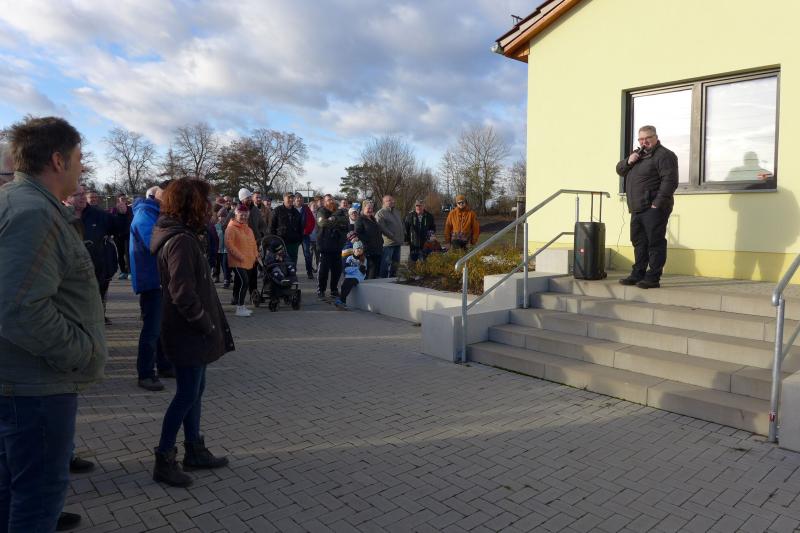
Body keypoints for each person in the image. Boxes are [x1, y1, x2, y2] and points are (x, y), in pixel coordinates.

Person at [0, 116, 106, 531]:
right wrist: (80, 352)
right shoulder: (33, 214)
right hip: (36, 386)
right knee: (37, 498)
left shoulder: (19, 203)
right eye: (79, 158)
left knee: (14, 491)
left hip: (22, 382)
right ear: (58, 161)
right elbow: (18, 308)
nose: (83, 167)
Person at [150, 178, 234, 487]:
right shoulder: (180, 241)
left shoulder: (181, 235)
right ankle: (164, 458)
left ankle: (194, 449)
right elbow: (182, 292)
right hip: (187, 331)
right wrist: (205, 323)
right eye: (205, 201)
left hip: (191, 331)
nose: (209, 207)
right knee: (186, 394)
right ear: (192, 204)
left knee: (195, 391)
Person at [615, 125, 678, 289]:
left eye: (647, 138)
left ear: (655, 137)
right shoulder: (639, 155)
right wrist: (628, 161)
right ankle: (638, 274)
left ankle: (653, 278)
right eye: (641, 139)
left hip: (654, 208)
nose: (644, 142)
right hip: (637, 207)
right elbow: (620, 170)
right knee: (639, 242)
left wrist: (657, 203)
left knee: (654, 243)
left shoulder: (664, 155)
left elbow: (670, 181)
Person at [130, 182, 175, 392]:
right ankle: (146, 373)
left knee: (163, 326)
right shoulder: (145, 214)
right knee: (151, 329)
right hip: (151, 280)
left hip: (161, 279)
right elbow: (155, 244)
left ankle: (164, 365)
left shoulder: (156, 214)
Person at [65, 184, 127, 325]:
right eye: (77, 195)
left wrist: (122, 215)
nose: (82, 197)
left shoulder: (98, 215)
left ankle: (98, 321)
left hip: (98, 269)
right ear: (66, 198)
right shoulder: (57, 215)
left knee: (97, 302)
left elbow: (120, 229)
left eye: (83, 194)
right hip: (69, 272)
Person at [226, 204, 259, 317]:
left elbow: (253, 244)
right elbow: (230, 245)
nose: (244, 217)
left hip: (248, 261)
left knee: (245, 283)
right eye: (241, 215)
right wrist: (240, 256)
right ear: (236, 215)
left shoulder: (248, 229)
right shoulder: (231, 228)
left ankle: (242, 306)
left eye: (245, 215)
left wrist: (256, 256)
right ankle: (239, 308)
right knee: (244, 282)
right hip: (237, 261)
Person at [316, 194, 349, 298]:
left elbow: (346, 222)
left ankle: (334, 290)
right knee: (323, 271)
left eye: (332, 199)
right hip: (325, 246)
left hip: (337, 246)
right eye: (328, 200)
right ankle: (321, 290)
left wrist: (333, 218)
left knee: (337, 270)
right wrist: (338, 223)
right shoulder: (322, 211)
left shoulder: (340, 212)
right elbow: (323, 223)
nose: (331, 201)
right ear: (324, 202)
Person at [270, 192, 303, 264]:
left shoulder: (296, 212)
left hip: (294, 244)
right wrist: (275, 241)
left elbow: (300, 227)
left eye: (292, 198)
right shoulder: (277, 211)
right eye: (289, 197)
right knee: (281, 263)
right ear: (284, 199)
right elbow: (271, 227)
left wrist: (299, 240)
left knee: (293, 263)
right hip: (281, 243)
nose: (291, 199)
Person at [375, 195, 404, 278]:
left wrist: (403, 233)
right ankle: (383, 280)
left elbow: (401, 224)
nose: (392, 202)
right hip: (388, 243)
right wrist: (392, 235)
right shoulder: (380, 213)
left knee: (396, 263)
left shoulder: (396, 212)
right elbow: (382, 228)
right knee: (385, 263)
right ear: (384, 202)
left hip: (398, 242)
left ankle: (393, 279)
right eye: (389, 200)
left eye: (392, 200)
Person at [355, 200, 383, 279]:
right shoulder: (360, 219)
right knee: (370, 271)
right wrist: (368, 240)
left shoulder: (373, 219)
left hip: (377, 249)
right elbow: (357, 233)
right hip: (367, 250)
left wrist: (381, 241)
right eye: (368, 208)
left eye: (371, 208)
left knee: (376, 272)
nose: (370, 210)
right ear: (363, 208)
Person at [335, 240, 367, 310]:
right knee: (344, 285)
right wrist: (356, 268)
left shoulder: (364, 259)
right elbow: (346, 269)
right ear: (354, 250)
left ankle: (341, 301)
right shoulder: (349, 258)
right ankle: (343, 302)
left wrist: (353, 269)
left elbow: (362, 271)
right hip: (349, 276)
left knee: (349, 283)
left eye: (361, 249)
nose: (359, 250)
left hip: (358, 277)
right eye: (358, 248)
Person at [111, 193, 133, 280]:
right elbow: (111, 221)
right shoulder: (114, 209)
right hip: (117, 235)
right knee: (120, 254)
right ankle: (123, 271)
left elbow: (132, 219)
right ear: (118, 200)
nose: (123, 199)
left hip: (128, 234)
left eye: (124, 198)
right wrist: (112, 233)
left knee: (128, 253)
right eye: (121, 198)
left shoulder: (130, 209)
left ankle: (130, 272)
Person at [295, 193, 316, 279]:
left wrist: (307, 231)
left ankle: (309, 272)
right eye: (297, 198)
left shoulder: (306, 208)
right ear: (295, 199)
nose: (299, 199)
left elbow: (312, 221)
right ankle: (292, 272)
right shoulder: (292, 208)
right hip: (294, 236)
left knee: (307, 254)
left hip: (305, 235)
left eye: (300, 198)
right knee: (293, 255)